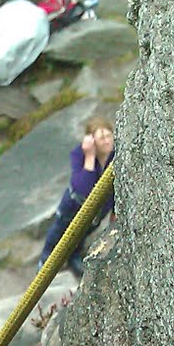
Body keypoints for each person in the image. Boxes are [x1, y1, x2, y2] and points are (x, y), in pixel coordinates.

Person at [38, 113, 116, 277]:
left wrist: (115, 211)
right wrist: (90, 156)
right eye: (102, 138)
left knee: (82, 235)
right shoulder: (79, 155)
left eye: (109, 135)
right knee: (59, 233)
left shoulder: (115, 158)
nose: (108, 141)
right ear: (92, 141)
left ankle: (73, 257)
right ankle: (45, 261)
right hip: (74, 206)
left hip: (98, 211)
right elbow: (83, 188)